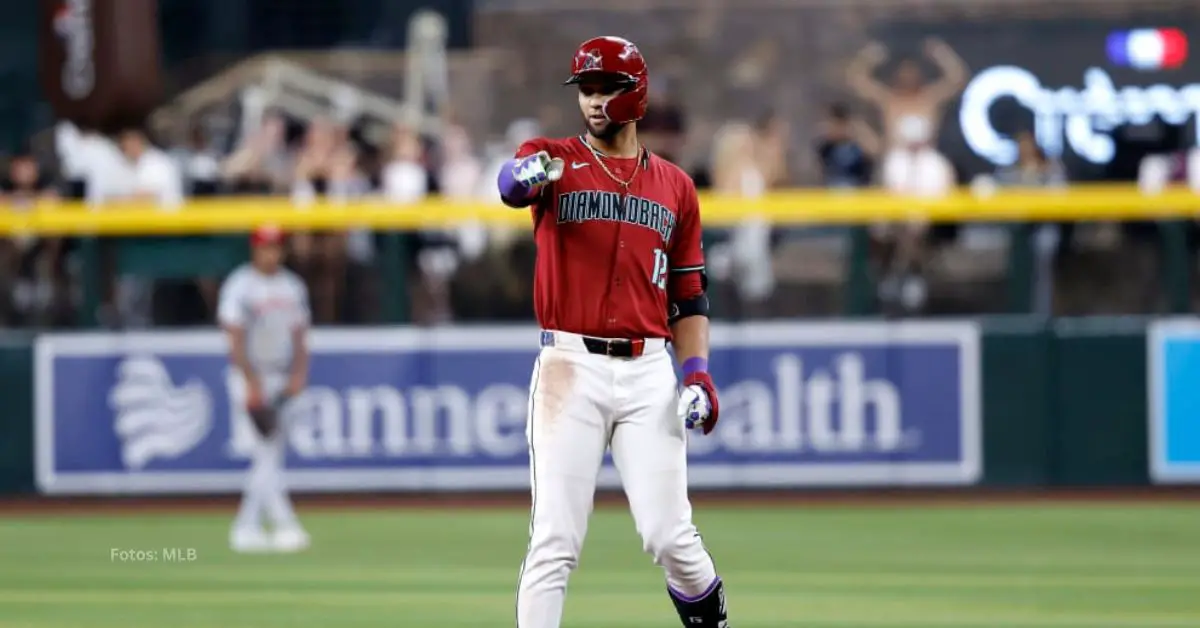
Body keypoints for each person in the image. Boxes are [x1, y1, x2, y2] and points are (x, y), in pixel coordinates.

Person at [495, 36, 731, 628]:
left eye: (607, 88)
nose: (595, 101)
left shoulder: (675, 186)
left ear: (637, 93)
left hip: (650, 367)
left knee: (670, 537)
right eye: (587, 90)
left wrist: (697, 372)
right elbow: (509, 186)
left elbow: (688, 293)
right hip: (569, 367)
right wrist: (526, 174)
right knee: (554, 538)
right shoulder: (553, 157)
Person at [218, 225, 312, 554]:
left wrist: (299, 373)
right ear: (254, 249)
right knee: (266, 452)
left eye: (275, 247)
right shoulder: (241, 285)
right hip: (249, 375)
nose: (271, 253)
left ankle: (250, 526)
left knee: (269, 454)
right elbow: (234, 336)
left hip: (280, 374)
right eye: (265, 247)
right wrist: (251, 382)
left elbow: (301, 334)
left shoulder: (292, 286)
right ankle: (279, 525)